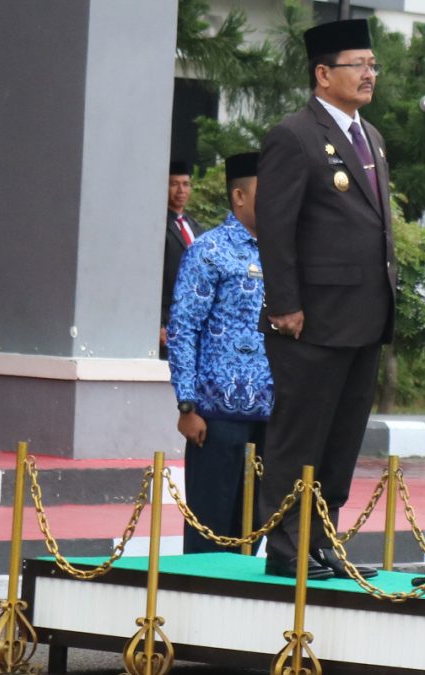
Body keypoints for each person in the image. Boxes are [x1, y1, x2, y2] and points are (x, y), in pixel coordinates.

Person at [255, 18, 395, 580]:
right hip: (310, 318)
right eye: (358, 65)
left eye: (372, 65)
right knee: (300, 435)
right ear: (322, 73)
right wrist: (284, 303)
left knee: (340, 440)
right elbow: (276, 226)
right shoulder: (295, 135)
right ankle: (287, 546)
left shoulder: (372, 137)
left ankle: (322, 536)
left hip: (365, 315)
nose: (369, 74)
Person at [167, 152, 273, 555]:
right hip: (215, 415)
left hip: (271, 415)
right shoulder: (209, 250)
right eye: (268, 192)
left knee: (255, 528)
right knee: (210, 531)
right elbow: (183, 329)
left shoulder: (286, 254)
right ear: (240, 196)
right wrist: (187, 404)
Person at [161, 159, 203, 359]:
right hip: (169, 319)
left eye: (185, 184)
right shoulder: (159, 226)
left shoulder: (196, 227)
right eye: (174, 184)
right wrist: (159, 323)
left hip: (196, 320)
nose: (180, 190)